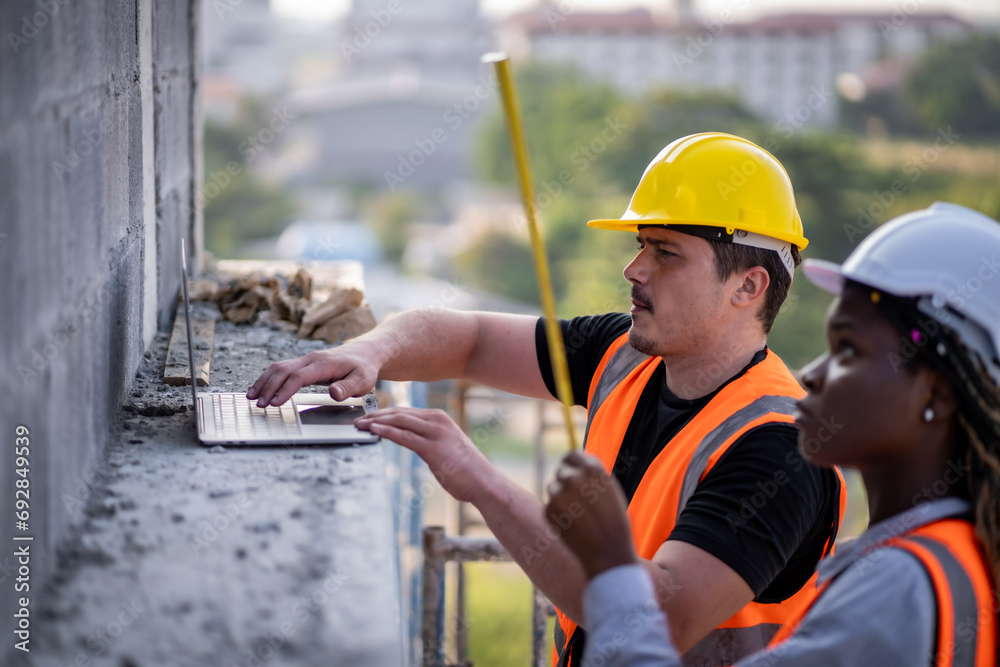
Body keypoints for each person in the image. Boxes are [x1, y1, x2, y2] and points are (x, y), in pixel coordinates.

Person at [247, 133, 845, 665]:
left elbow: (656, 619)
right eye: (641, 245)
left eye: (666, 253)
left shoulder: (780, 450)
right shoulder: (624, 354)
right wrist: (372, 352)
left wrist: (480, 481)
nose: (634, 268)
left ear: (748, 285)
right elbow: (471, 338)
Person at [545, 202, 1000, 667]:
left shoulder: (899, 585)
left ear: (938, 391)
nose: (815, 372)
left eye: (848, 349)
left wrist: (612, 565)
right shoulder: (957, 556)